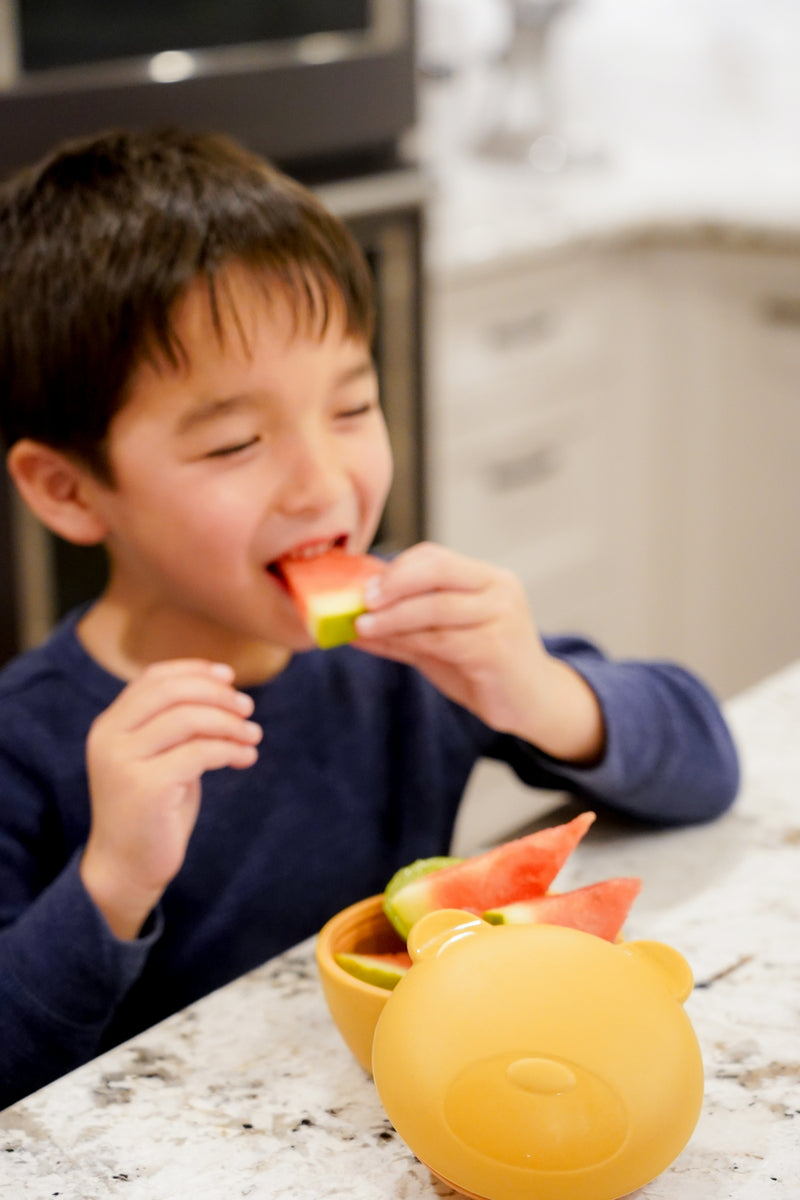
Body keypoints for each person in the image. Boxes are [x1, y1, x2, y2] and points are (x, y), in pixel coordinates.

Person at [0, 128, 738, 1109]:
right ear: (68, 489)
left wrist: (539, 693)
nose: (322, 483)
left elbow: (704, 766)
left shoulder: (408, 642)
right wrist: (109, 883)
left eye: (351, 409)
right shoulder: (27, 738)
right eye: (233, 443)